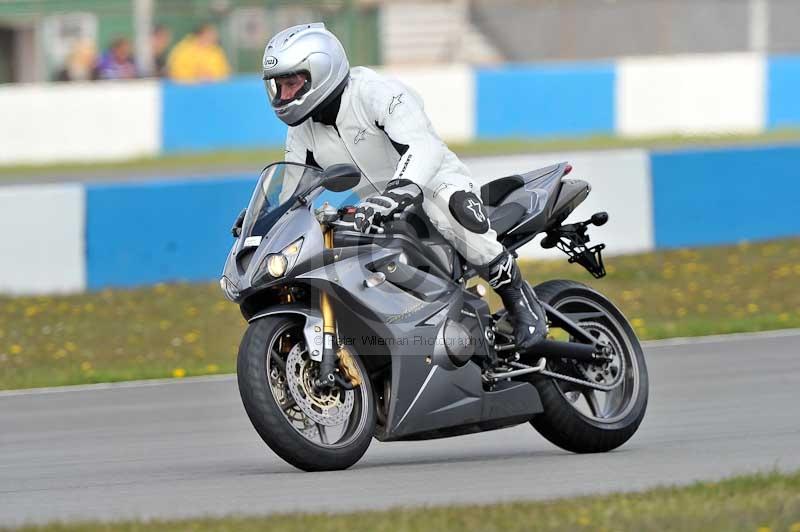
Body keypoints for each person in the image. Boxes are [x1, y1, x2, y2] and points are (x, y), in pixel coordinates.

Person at [261, 23, 548, 350]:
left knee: (451, 210)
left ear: (321, 70)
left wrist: (401, 189)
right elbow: (293, 191)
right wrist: (268, 220)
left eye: (292, 83)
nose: (284, 96)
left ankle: (520, 301)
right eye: (279, 86)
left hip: (432, 182)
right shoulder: (302, 130)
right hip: (378, 207)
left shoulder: (374, 93)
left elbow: (423, 146)